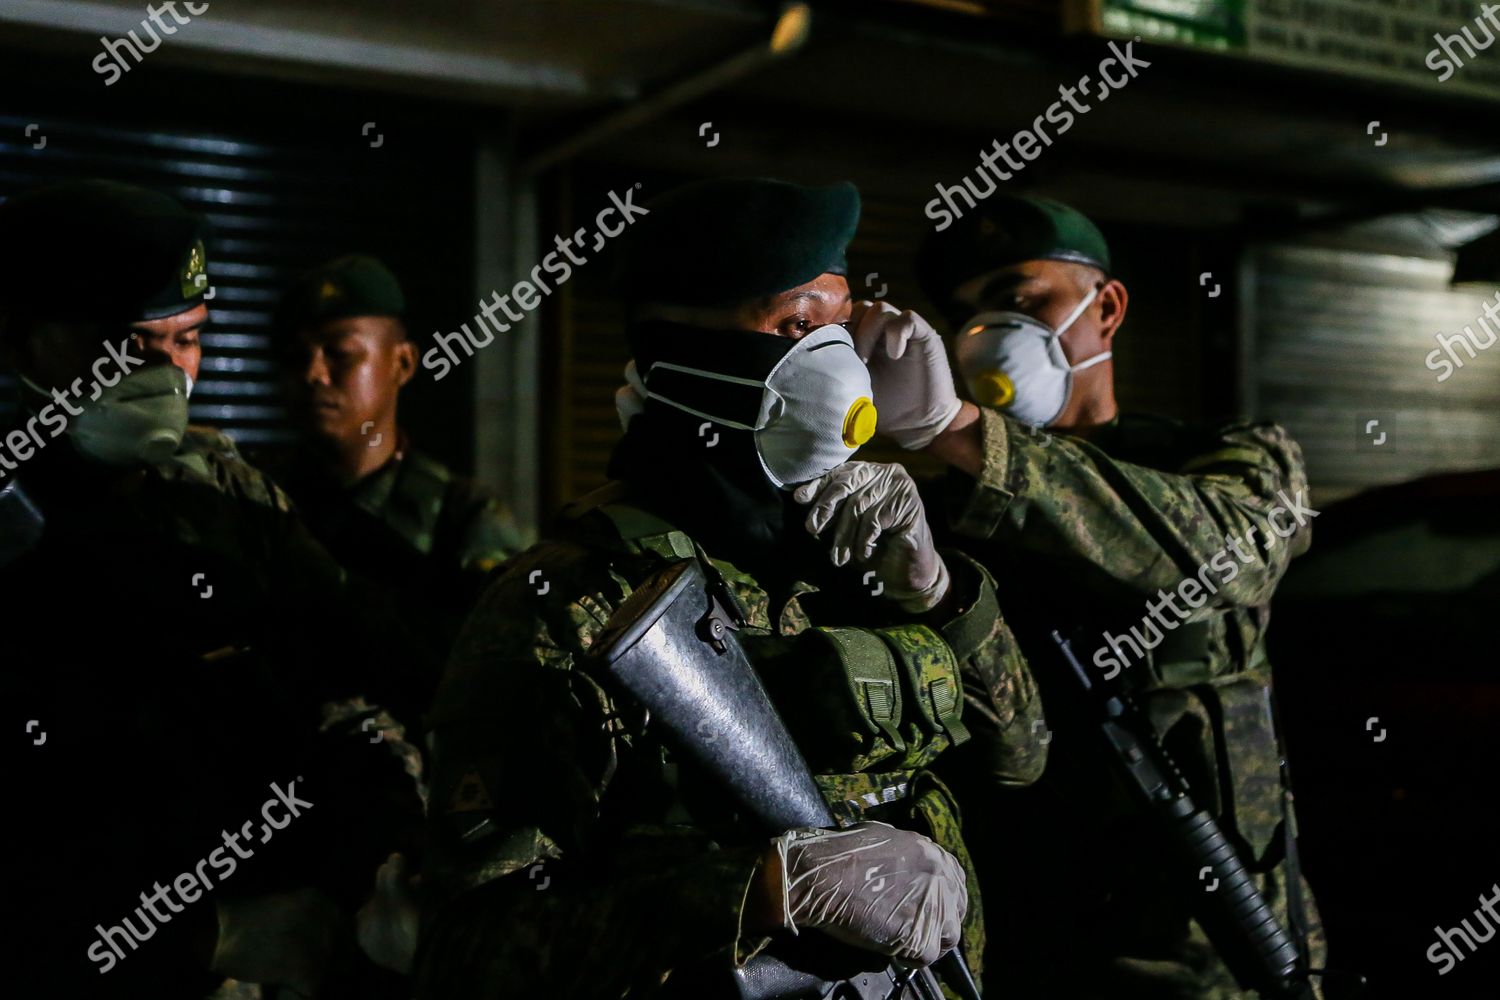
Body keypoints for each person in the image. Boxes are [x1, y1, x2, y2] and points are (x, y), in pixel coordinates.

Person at [416, 178, 1045, 999]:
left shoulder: (862, 551)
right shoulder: (572, 602)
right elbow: (468, 948)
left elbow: (1022, 758)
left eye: (840, 324)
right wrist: (761, 891)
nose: (838, 361)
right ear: (682, 354)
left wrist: (936, 588)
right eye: (794, 325)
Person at [848, 193, 1326, 998]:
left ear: (1105, 308)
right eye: (964, 314)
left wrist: (965, 433)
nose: (988, 332)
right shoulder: (935, 518)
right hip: (1028, 927)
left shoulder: (1230, 457)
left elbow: (1234, 553)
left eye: (1019, 300)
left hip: (1206, 928)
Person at [0, 179, 426, 998]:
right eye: (129, 346)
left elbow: (357, 671)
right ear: (20, 343)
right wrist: (205, 939)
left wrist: (386, 857)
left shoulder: (226, 492)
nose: (165, 377)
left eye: (187, 341)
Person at [262, 255, 525, 651]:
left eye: (340, 353)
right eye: (296, 358)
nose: (314, 374)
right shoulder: (256, 499)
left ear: (402, 362)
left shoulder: (463, 517)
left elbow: (498, 666)